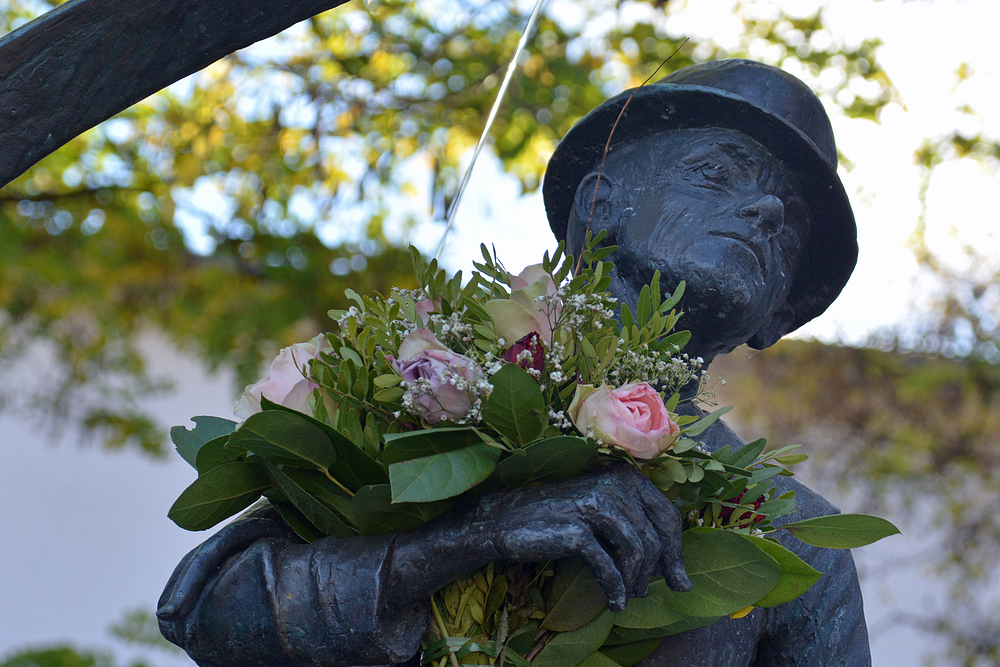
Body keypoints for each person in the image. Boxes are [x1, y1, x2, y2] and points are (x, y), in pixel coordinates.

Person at [157, 59, 870, 667]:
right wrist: (468, 538)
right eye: (717, 173)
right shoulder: (431, 387)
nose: (769, 211)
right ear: (599, 207)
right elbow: (205, 605)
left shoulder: (785, 541)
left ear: (779, 315)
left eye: (794, 225)